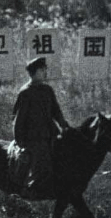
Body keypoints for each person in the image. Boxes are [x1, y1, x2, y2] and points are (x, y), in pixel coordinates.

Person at [13, 57, 69, 192]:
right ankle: (31, 188)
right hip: (34, 138)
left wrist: (64, 126)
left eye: (45, 69)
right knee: (41, 162)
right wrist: (20, 142)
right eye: (43, 70)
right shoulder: (26, 92)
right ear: (36, 72)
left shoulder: (47, 90)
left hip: (51, 133)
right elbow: (19, 120)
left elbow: (56, 111)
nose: (45, 72)